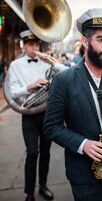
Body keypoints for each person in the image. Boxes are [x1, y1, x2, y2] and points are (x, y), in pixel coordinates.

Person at [44, 8, 102, 201]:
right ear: (85, 42)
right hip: (83, 173)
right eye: (101, 39)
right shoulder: (63, 80)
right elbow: (51, 127)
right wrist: (83, 144)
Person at [6, 30, 67, 201]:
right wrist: (30, 86)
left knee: (46, 152)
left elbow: (65, 74)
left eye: (36, 44)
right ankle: (29, 192)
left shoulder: (46, 63)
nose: (34, 48)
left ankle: (43, 186)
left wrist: (51, 62)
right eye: (30, 44)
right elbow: (12, 92)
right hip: (29, 114)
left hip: (47, 113)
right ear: (24, 46)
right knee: (32, 153)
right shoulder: (15, 66)